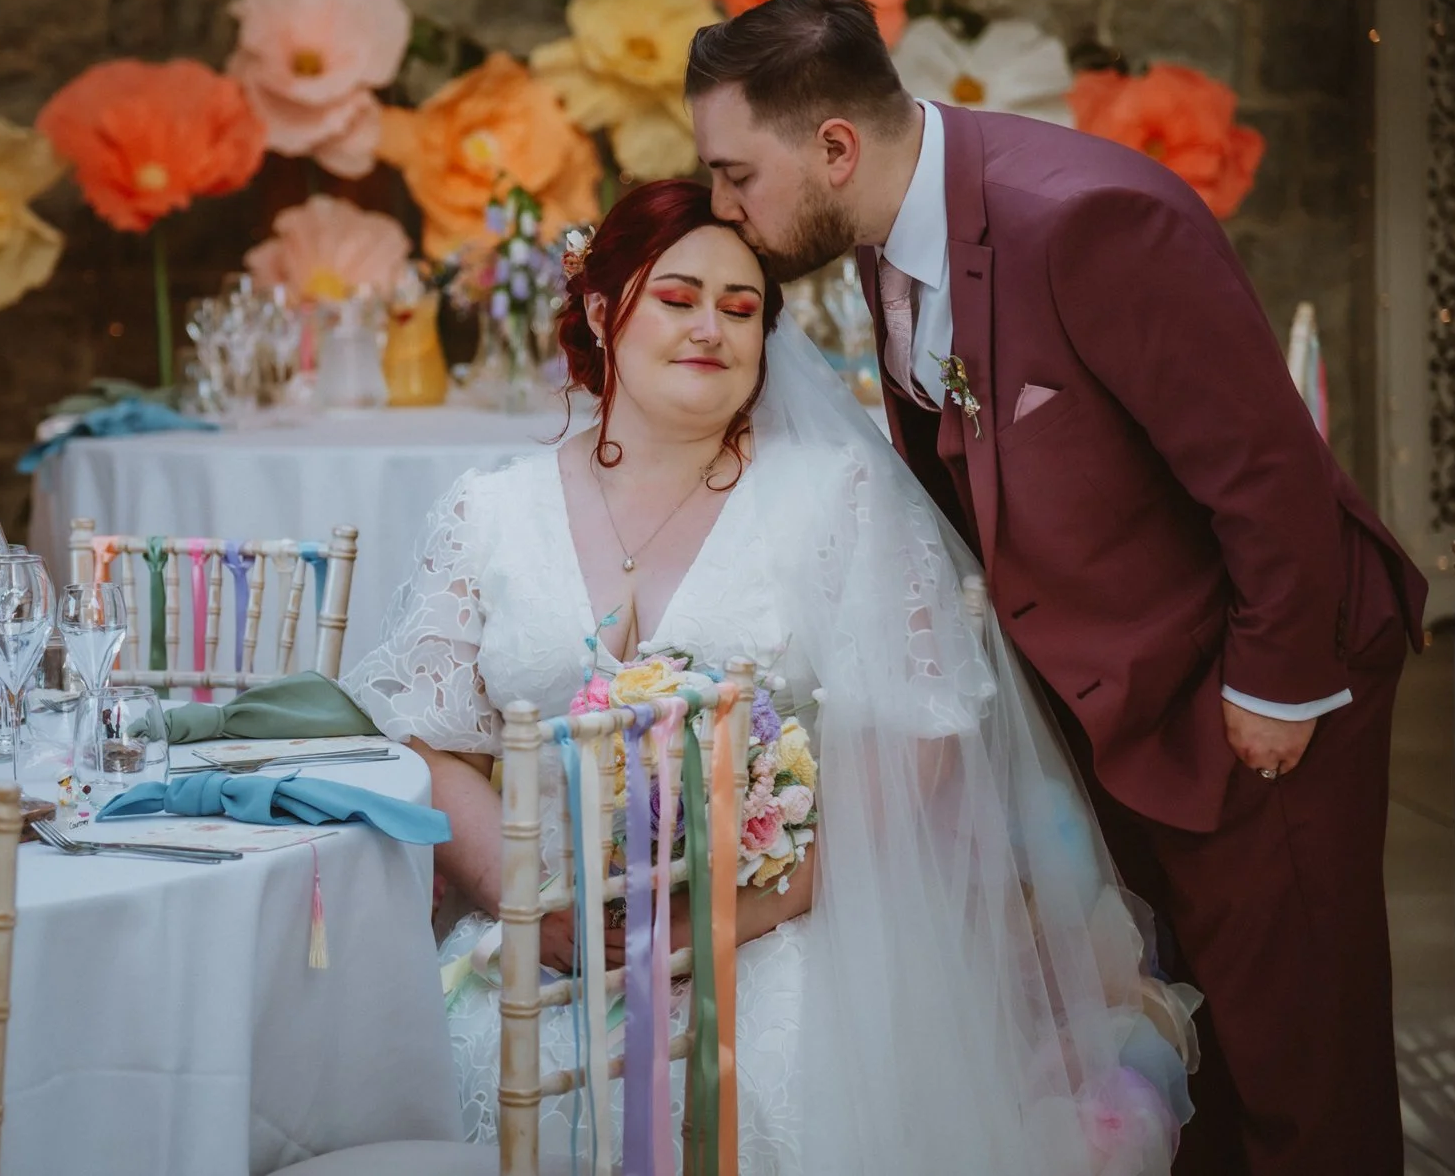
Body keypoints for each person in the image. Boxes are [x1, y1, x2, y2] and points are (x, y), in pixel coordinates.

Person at [684, 0, 1428, 1176]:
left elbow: (1267, 474)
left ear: (832, 147)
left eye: (734, 175)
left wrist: (1276, 688)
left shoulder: (1087, 220)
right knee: (1207, 1037)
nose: (722, 207)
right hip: (1119, 686)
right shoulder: (882, 240)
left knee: (1304, 1063)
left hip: (1256, 682)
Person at [343, 178, 1202, 1174]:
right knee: (466, 1063)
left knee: (774, 1079)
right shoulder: (484, 513)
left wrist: (735, 914)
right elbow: (434, 743)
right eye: (677, 297)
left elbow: (912, 743)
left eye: (740, 308)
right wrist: (535, 903)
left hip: (779, 941)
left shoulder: (829, 497)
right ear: (597, 311)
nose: (710, 325)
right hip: (533, 939)